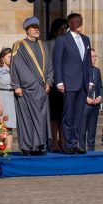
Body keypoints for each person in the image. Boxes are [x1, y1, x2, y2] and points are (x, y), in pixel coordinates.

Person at [11, 16, 53, 156]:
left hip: (42, 89)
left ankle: (39, 146)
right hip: (26, 90)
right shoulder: (20, 45)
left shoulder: (43, 45)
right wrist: (16, 85)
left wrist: (49, 82)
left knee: (41, 119)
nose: (36, 29)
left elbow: (49, 67)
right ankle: (28, 146)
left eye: (37, 27)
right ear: (27, 30)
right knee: (27, 119)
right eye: (33, 27)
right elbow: (15, 66)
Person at [53, 12, 93, 154]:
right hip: (69, 82)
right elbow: (57, 62)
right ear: (70, 24)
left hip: (82, 83)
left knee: (79, 115)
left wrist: (90, 81)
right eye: (77, 21)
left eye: (81, 21)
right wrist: (59, 82)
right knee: (68, 115)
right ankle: (68, 144)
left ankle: (75, 143)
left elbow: (87, 62)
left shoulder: (86, 40)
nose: (80, 23)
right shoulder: (62, 40)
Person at [46, 18, 68, 151]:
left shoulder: (67, 42)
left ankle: (63, 141)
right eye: (62, 28)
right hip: (54, 83)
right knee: (55, 115)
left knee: (63, 115)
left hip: (66, 83)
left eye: (66, 28)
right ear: (55, 31)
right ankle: (54, 141)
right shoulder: (49, 44)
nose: (65, 31)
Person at [0, 47, 16, 151]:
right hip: (2, 98)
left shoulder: (14, 70)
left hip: (12, 98)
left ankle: (9, 148)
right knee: (2, 125)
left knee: (10, 125)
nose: (11, 59)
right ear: (3, 58)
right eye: (9, 57)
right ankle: (1, 147)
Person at [84, 48, 103, 151]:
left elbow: (100, 87)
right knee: (82, 132)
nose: (95, 58)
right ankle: (81, 152)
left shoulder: (97, 70)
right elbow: (79, 87)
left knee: (92, 133)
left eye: (95, 56)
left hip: (95, 106)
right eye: (93, 56)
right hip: (84, 105)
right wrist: (86, 98)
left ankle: (91, 153)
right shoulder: (81, 70)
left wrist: (100, 97)